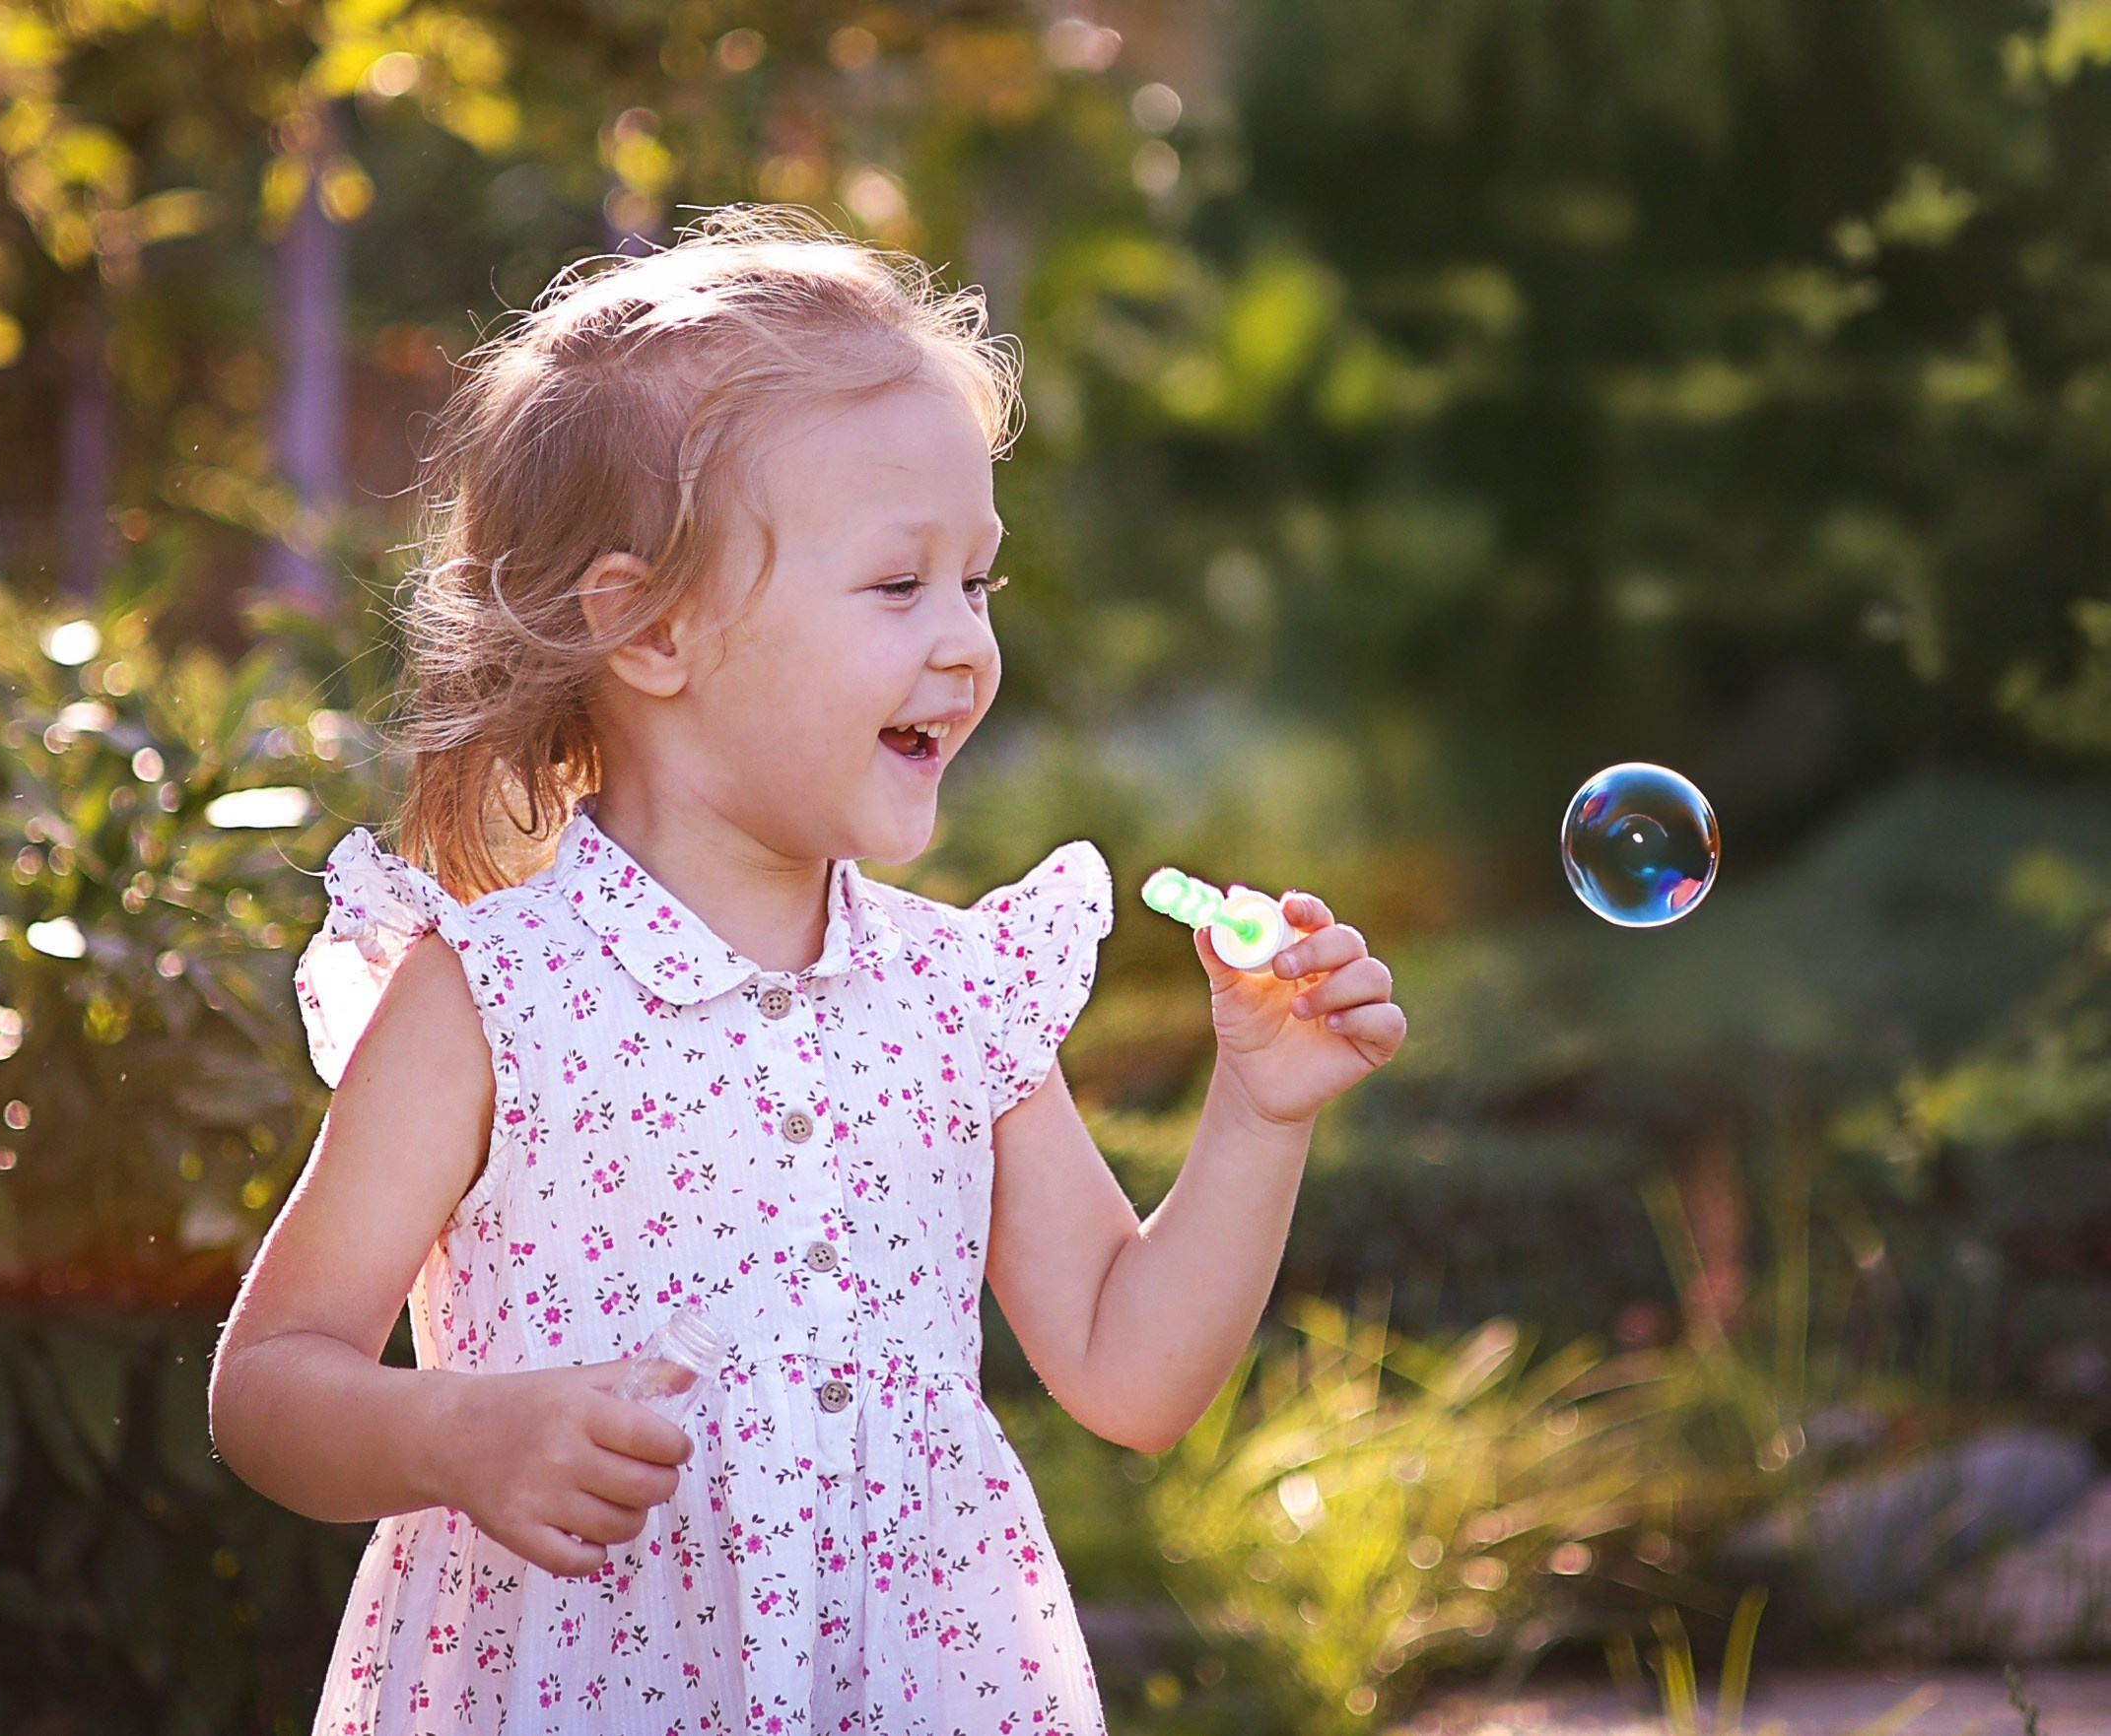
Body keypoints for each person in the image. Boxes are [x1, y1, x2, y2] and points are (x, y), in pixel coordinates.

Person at [206, 206, 1405, 1736]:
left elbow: (1130, 1370)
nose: (965, 643)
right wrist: (455, 1432)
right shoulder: (496, 993)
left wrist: (1260, 1109)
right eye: (897, 585)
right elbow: (267, 1386)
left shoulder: (954, 999)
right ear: (646, 625)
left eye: (978, 583)